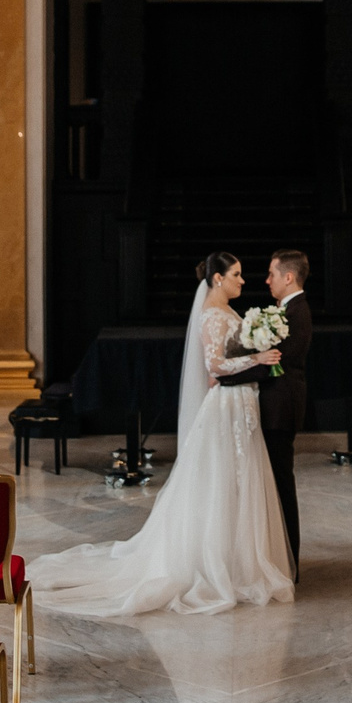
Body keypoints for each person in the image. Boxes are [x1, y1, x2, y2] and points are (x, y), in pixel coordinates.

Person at [31, 253, 296, 616]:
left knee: (239, 480)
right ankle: (216, 563)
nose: (242, 280)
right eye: (235, 274)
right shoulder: (213, 314)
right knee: (221, 480)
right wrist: (258, 360)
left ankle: (239, 559)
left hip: (241, 405)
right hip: (226, 407)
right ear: (217, 279)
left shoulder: (230, 312)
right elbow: (214, 366)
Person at [215, 249, 310, 578]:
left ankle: (290, 566)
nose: (266, 280)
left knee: (282, 486)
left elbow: (278, 365)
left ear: (288, 277)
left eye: (271, 274)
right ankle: (276, 559)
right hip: (271, 407)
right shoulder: (287, 309)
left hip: (280, 409)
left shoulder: (297, 311)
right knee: (273, 486)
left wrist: (231, 375)